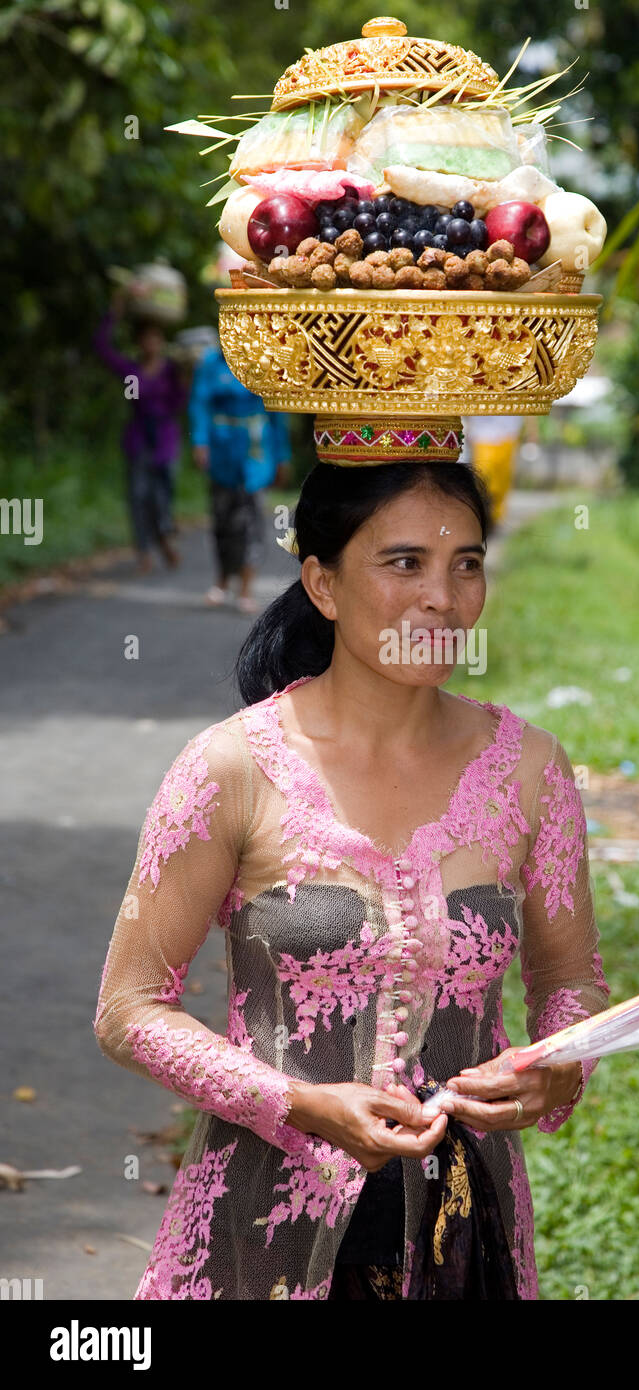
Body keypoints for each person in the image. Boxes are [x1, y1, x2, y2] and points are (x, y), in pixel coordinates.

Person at [93, 447, 610, 1300]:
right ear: (323, 585)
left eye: (466, 564)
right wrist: (296, 1102)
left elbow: (570, 985)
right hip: (258, 1235)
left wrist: (558, 1067)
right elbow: (128, 1007)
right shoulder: (231, 768)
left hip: (463, 1236)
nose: (441, 598)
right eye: (404, 562)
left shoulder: (532, 772)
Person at [189, 344, 291, 614]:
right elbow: (200, 404)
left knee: (252, 519)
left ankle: (246, 587)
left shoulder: (268, 361)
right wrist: (200, 442)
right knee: (222, 519)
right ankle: (221, 582)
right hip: (222, 451)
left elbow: (278, 413)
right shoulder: (211, 363)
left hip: (256, 452)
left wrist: (283, 456)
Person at [93, 290, 187, 573]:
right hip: (138, 439)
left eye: (154, 338)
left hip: (166, 439)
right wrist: (115, 312)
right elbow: (101, 346)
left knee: (162, 496)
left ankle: (164, 537)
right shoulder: (131, 371)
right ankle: (144, 552)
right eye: (145, 338)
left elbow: (179, 403)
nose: (150, 343)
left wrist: (184, 380)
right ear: (139, 342)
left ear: (161, 342)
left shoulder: (172, 370)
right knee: (138, 495)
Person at [462, 415, 524, 529]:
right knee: (483, 478)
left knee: (502, 481)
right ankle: (481, 515)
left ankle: (495, 519)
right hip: (483, 434)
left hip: (508, 433)